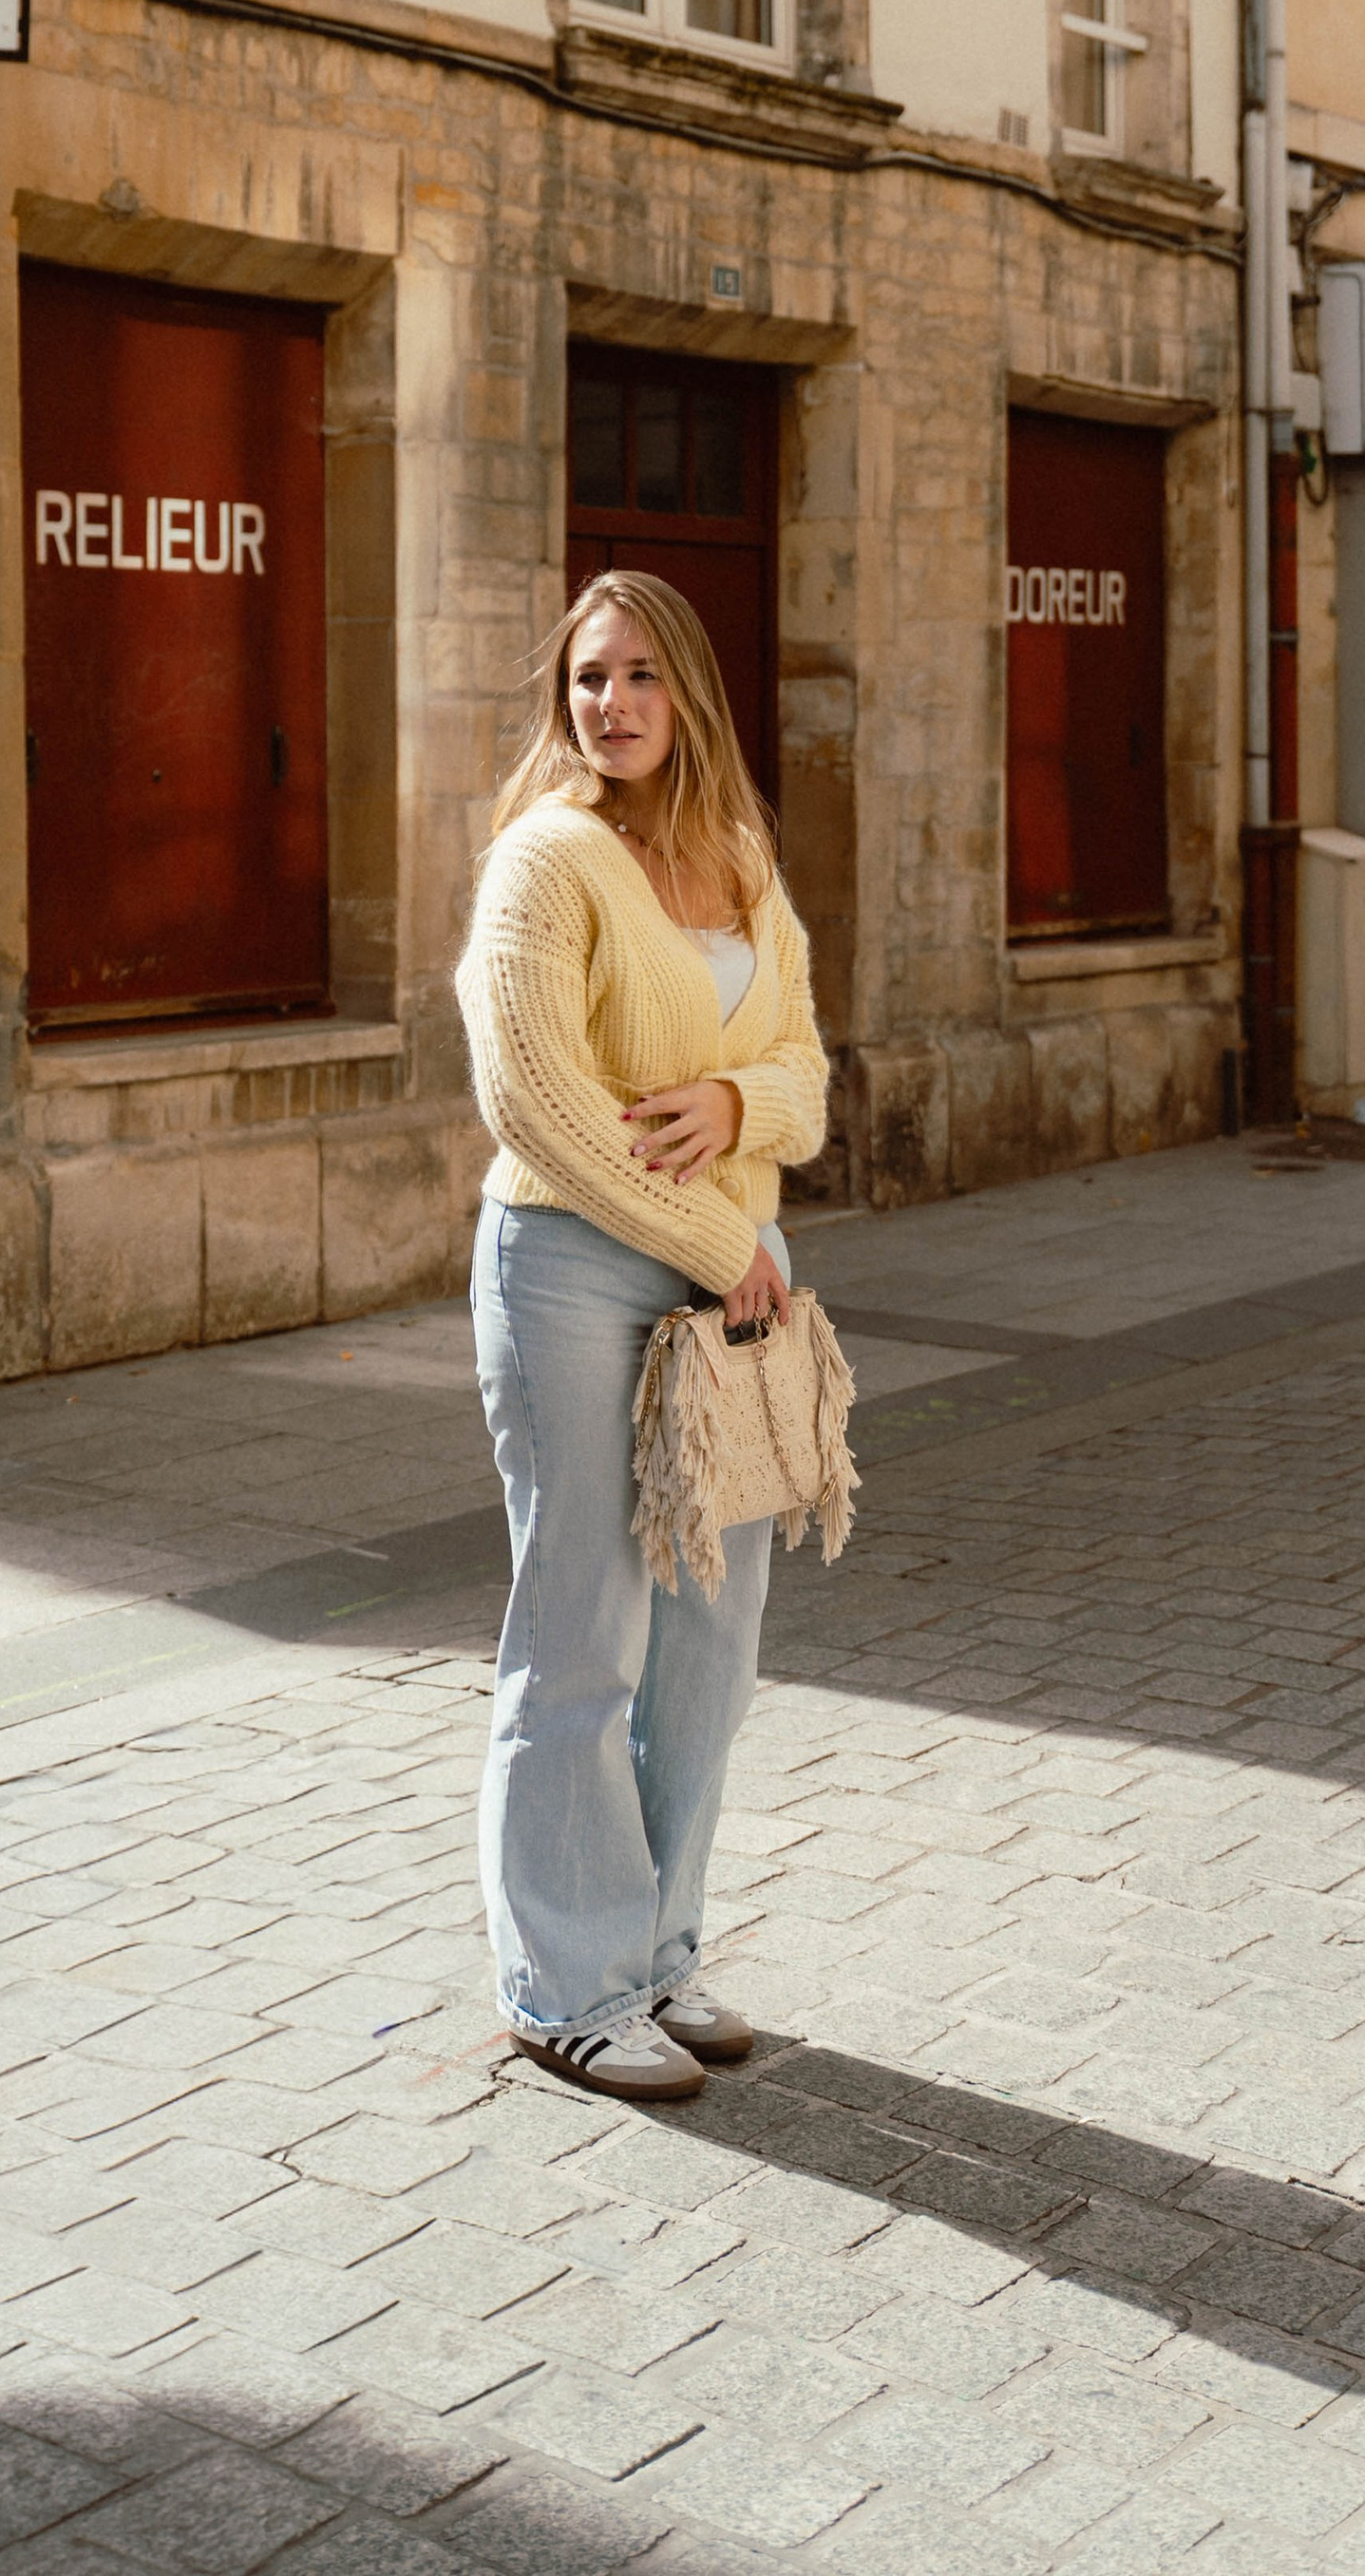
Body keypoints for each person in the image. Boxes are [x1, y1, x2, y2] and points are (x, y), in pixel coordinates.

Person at [456, 568, 830, 2101]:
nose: (609, 705)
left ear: (691, 694)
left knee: (708, 1650)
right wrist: (721, 1237)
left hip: (723, 1288)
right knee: (582, 1635)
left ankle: (658, 1951)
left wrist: (742, 1107)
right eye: (587, 679)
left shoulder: (739, 858)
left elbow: (806, 1063)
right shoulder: (545, 861)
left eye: (638, 678)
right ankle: (567, 1983)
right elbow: (534, 1100)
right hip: (572, 1272)